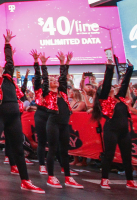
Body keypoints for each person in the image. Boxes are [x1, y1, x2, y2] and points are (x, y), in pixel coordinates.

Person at [0, 29, 43, 193]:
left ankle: (25, 181)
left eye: (0, 65)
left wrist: (7, 43)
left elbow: (9, 61)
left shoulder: (8, 77)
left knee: (18, 149)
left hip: (14, 117)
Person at [92, 59, 137, 191]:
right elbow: (107, 81)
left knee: (127, 156)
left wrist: (130, 69)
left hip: (124, 131)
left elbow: (125, 83)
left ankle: (130, 181)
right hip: (111, 130)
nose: (112, 86)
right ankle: (104, 179)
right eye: (108, 86)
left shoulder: (120, 97)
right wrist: (109, 67)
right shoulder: (104, 99)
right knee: (109, 155)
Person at [41, 51, 83, 189]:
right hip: (53, 123)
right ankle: (51, 177)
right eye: (52, 81)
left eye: (55, 80)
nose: (54, 82)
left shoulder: (63, 93)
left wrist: (64, 63)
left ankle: (68, 178)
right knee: (53, 149)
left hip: (64, 125)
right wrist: (43, 64)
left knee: (64, 151)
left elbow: (63, 77)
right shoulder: (47, 94)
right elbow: (45, 79)